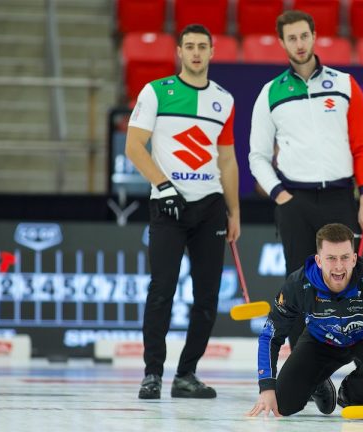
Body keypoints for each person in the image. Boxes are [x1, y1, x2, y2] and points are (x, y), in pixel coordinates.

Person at [248, 10, 363, 402]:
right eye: (290, 38)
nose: (298, 43)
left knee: (354, 281)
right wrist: (280, 194)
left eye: (304, 36)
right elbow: (256, 156)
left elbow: (362, 147)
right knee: (302, 288)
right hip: (294, 199)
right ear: (282, 43)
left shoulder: (345, 84)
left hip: (339, 197)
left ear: (314, 37)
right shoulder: (270, 92)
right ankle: (311, 375)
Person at [125, 24, 240, 400]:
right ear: (178, 51)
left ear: (211, 52)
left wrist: (233, 211)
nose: (195, 53)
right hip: (168, 205)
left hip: (210, 208)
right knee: (162, 291)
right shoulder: (156, 91)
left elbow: (227, 160)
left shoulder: (224, 99)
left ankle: (187, 374)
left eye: (201, 47)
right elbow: (134, 146)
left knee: (207, 298)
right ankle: (152, 373)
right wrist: (164, 185)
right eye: (188, 46)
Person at [247, 223, 363, 419]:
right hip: (321, 342)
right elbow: (270, 336)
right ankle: (318, 382)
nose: (338, 266)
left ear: (354, 259)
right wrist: (266, 386)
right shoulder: (298, 285)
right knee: (282, 405)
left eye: (344, 258)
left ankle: (352, 394)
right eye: (331, 258)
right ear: (318, 260)